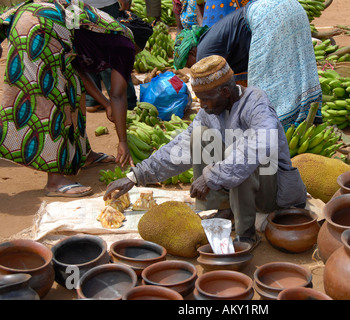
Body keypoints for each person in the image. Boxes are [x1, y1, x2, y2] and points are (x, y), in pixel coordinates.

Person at [103, 55, 308, 249]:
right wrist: (136, 175)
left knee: (242, 153)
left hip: (271, 190)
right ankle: (225, 209)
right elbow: (180, 147)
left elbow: (258, 146)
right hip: (240, 185)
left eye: (205, 100)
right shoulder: (208, 112)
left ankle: (246, 235)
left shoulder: (256, 102)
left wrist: (211, 175)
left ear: (225, 93)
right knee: (199, 136)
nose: (202, 106)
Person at [0, 0, 152, 197]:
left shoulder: (107, 31)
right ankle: (54, 181)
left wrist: (105, 103)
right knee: (54, 99)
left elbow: (75, 69)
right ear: (137, 45)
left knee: (73, 87)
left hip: (35, 20)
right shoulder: (126, 44)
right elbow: (118, 94)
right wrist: (123, 141)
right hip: (40, 29)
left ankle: (82, 155)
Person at [173, 0, 322, 128]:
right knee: (297, 68)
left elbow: (217, 92)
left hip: (266, 17)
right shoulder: (213, 40)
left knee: (266, 88)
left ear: (192, 53)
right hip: (291, 7)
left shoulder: (204, 53)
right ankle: (306, 117)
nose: (193, 68)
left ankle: (279, 127)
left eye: (189, 64)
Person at [81, 0, 137, 113]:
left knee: (84, 49)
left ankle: (92, 100)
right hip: (104, 6)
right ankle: (125, 102)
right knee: (113, 51)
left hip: (75, 7)